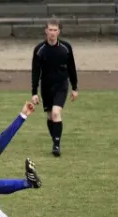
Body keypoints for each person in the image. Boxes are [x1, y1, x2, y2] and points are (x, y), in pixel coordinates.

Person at [31, 16, 79, 157]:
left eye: (55, 30)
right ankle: (55, 141)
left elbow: (72, 68)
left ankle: (56, 146)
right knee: (50, 116)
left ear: (59, 32)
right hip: (46, 86)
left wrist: (75, 87)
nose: (52, 32)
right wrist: (34, 92)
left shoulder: (66, 48)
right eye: (50, 30)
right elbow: (35, 72)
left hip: (61, 85)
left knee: (56, 113)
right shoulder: (39, 49)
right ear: (46, 31)